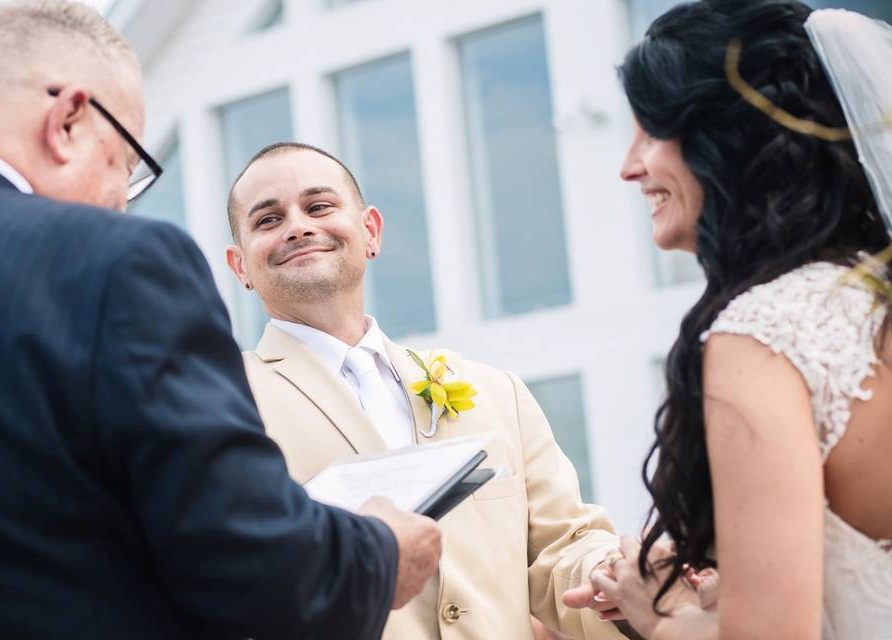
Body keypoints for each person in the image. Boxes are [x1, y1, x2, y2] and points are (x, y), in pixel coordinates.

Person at [0, 2, 442, 638]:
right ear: (67, 120)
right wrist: (381, 554)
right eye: (123, 163)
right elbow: (250, 561)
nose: (120, 201)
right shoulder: (113, 263)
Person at [563, 1, 892, 638]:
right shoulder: (873, 293)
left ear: (725, 142)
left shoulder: (765, 333)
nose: (629, 166)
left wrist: (658, 610)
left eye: (652, 132)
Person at [224, 141, 626, 640]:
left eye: (319, 206)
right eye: (268, 220)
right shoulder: (220, 404)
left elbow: (562, 549)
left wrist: (629, 580)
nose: (298, 226)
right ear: (239, 265)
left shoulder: (497, 393)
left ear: (370, 232)